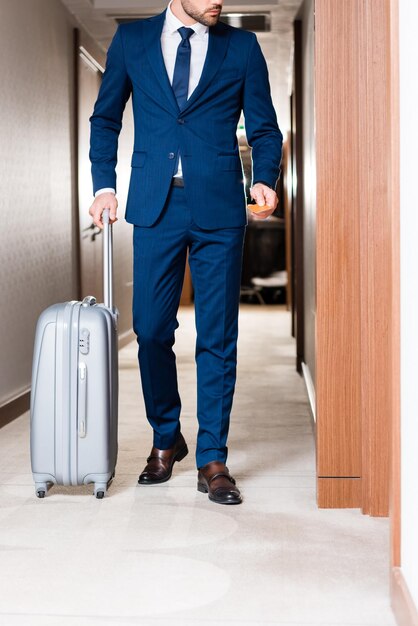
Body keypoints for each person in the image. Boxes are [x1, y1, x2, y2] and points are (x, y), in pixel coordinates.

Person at [88, 0, 283, 505]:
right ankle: (167, 435)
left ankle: (212, 456)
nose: (219, 0)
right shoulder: (132, 42)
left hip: (219, 204)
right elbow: (105, 117)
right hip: (155, 203)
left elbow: (264, 125)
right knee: (151, 329)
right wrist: (103, 185)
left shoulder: (241, 46)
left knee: (217, 332)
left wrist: (264, 178)